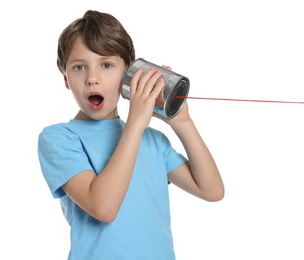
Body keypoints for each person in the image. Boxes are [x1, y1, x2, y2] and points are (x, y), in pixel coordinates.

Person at [38, 10, 224, 259]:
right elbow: (103, 207)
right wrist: (136, 123)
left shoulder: (152, 141)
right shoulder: (59, 138)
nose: (92, 78)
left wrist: (182, 122)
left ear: (129, 73)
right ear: (66, 80)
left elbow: (211, 190)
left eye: (106, 65)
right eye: (79, 67)